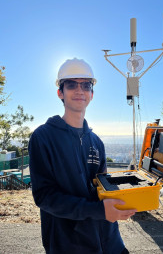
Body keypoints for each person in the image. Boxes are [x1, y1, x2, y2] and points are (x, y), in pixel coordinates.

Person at [29, 58, 137, 254]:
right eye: (71, 84)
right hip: (69, 245)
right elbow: (45, 197)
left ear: (92, 94)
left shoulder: (96, 142)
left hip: (110, 243)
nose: (79, 90)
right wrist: (99, 211)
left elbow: (103, 188)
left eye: (86, 85)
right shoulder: (43, 137)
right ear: (60, 92)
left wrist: (129, 196)